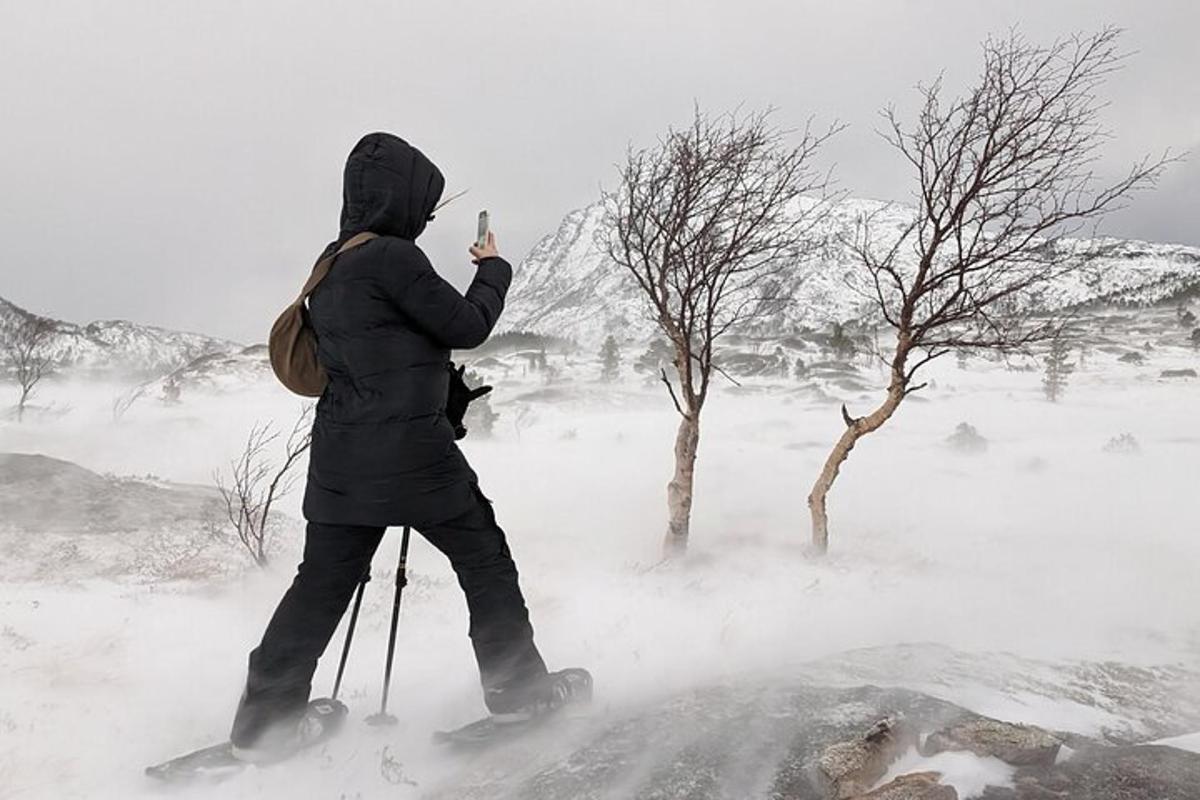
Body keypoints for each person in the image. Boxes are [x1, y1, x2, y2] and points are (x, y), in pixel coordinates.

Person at [228, 131, 585, 760]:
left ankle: (264, 724)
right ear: (403, 198)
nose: (426, 216)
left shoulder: (333, 263)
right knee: (484, 561)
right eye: (426, 202)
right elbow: (468, 326)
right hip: (415, 461)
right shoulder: (393, 259)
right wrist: (493, 269)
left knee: (321, 585)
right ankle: (519, 695)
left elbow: (380, 353)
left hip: (340, 462)